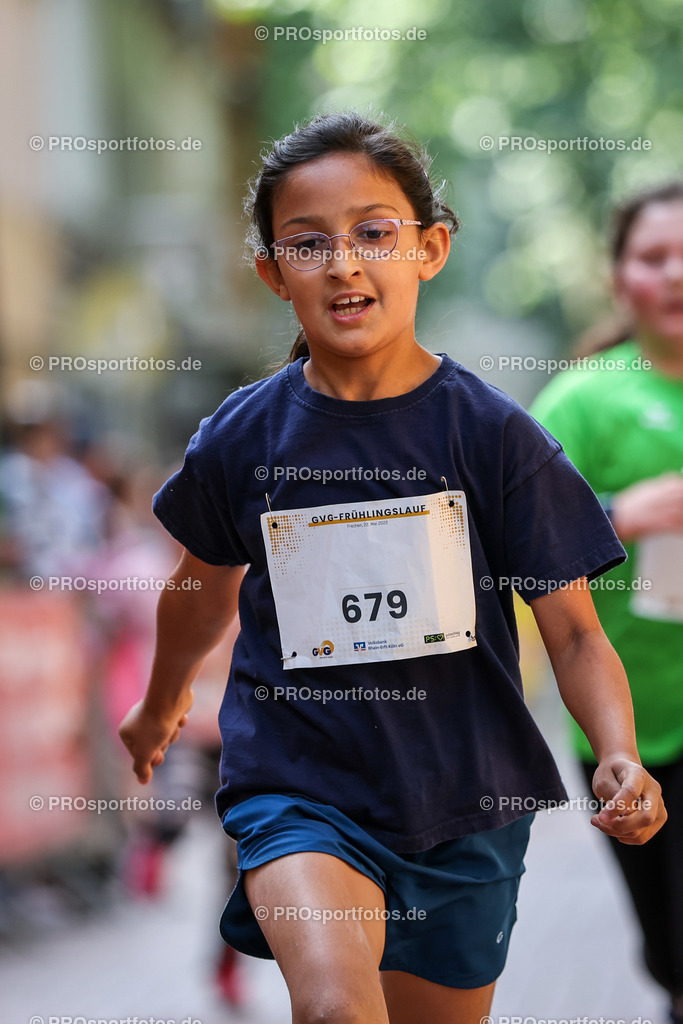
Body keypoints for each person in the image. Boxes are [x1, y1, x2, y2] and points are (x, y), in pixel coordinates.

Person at [118, 112, 666, 1024]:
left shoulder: (495, 438)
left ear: (429, 248)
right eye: (308, 243)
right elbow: (199, 590)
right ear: (272, 272)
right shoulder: (241, 438)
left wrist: (617, 752)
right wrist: (160, 702)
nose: (343, 263)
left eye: (373, 233)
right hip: (297, 789)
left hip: (467, 802)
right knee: (337, 1011)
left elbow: (573, 632)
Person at [531, 182, 683, 1024]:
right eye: (653, 257)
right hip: (628, 731)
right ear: (618, 278)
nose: (675, 275)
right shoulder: (580, 400)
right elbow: (511, 541)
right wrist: (619, 512)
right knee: (669, 952)